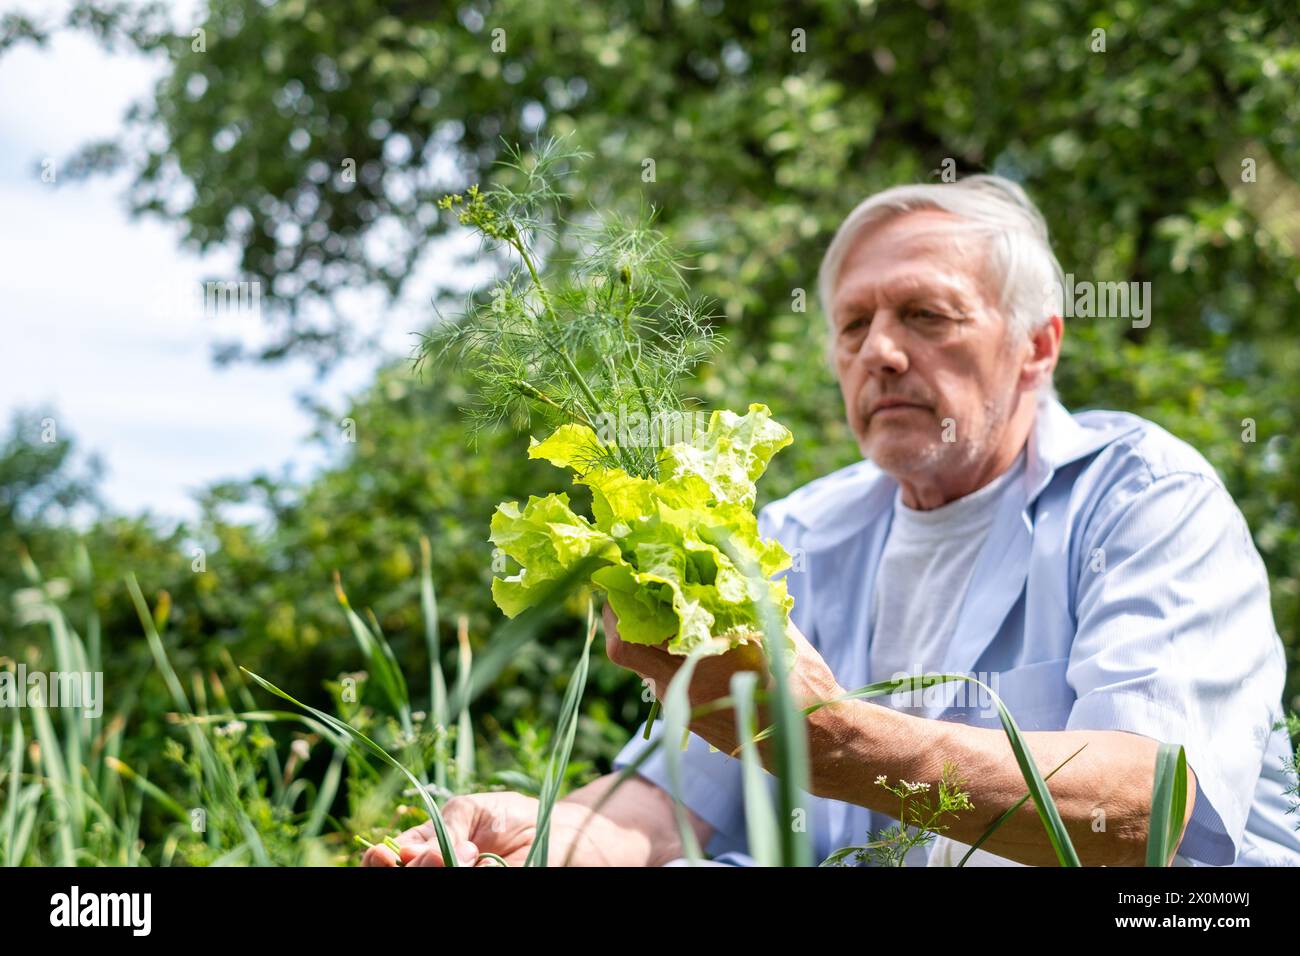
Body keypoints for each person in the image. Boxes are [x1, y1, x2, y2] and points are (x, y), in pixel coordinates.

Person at [363, 175, 1300, 867]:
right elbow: (670, 804)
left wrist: (832, 737)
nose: (881, 352)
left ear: (1036, 347)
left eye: (927, 315)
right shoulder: (798, 535)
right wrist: (547, 838)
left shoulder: (1143, 498)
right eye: (853, 327)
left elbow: (1142, 807)